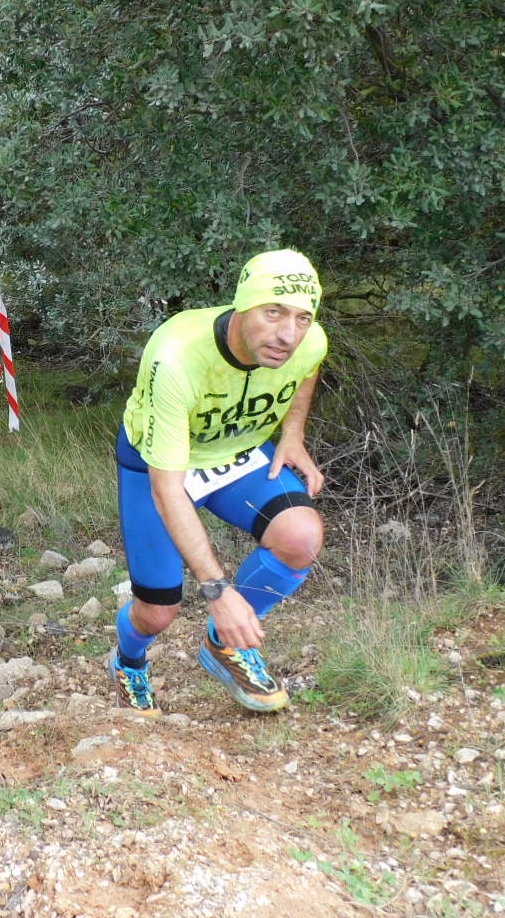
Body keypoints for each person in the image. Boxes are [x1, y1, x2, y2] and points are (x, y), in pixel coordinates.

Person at [109, 248, 328, 715]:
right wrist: (217, 592)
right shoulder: (177, 356)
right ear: (243, 305)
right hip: (162, 465)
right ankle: (128, 661)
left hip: (237, 451)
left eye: (302, 318)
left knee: (301, 537)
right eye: (273, 313)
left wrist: (293, 432)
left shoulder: (308, 342)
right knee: (157, 612)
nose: (288, 335)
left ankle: (224, 646)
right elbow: (168, 488)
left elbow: (308, 366)